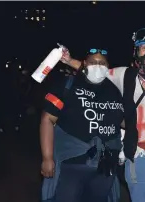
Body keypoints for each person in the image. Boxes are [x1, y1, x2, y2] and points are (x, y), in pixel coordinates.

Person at [61, 28, 145, 202]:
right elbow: (95, 71)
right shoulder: (124, 75)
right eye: (143, 48)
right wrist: (68, 60)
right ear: (135, 52)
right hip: (135, 159)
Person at [40, 49, 124, 202]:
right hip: (71, 164)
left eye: (102, 63)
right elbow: (47, 119)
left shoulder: (114, 90)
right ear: (84, 64)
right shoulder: (67, 84)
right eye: (93, 62)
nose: (98, 66)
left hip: (105, 168)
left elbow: (123, 121)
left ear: (108, 67)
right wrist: (47, 157)